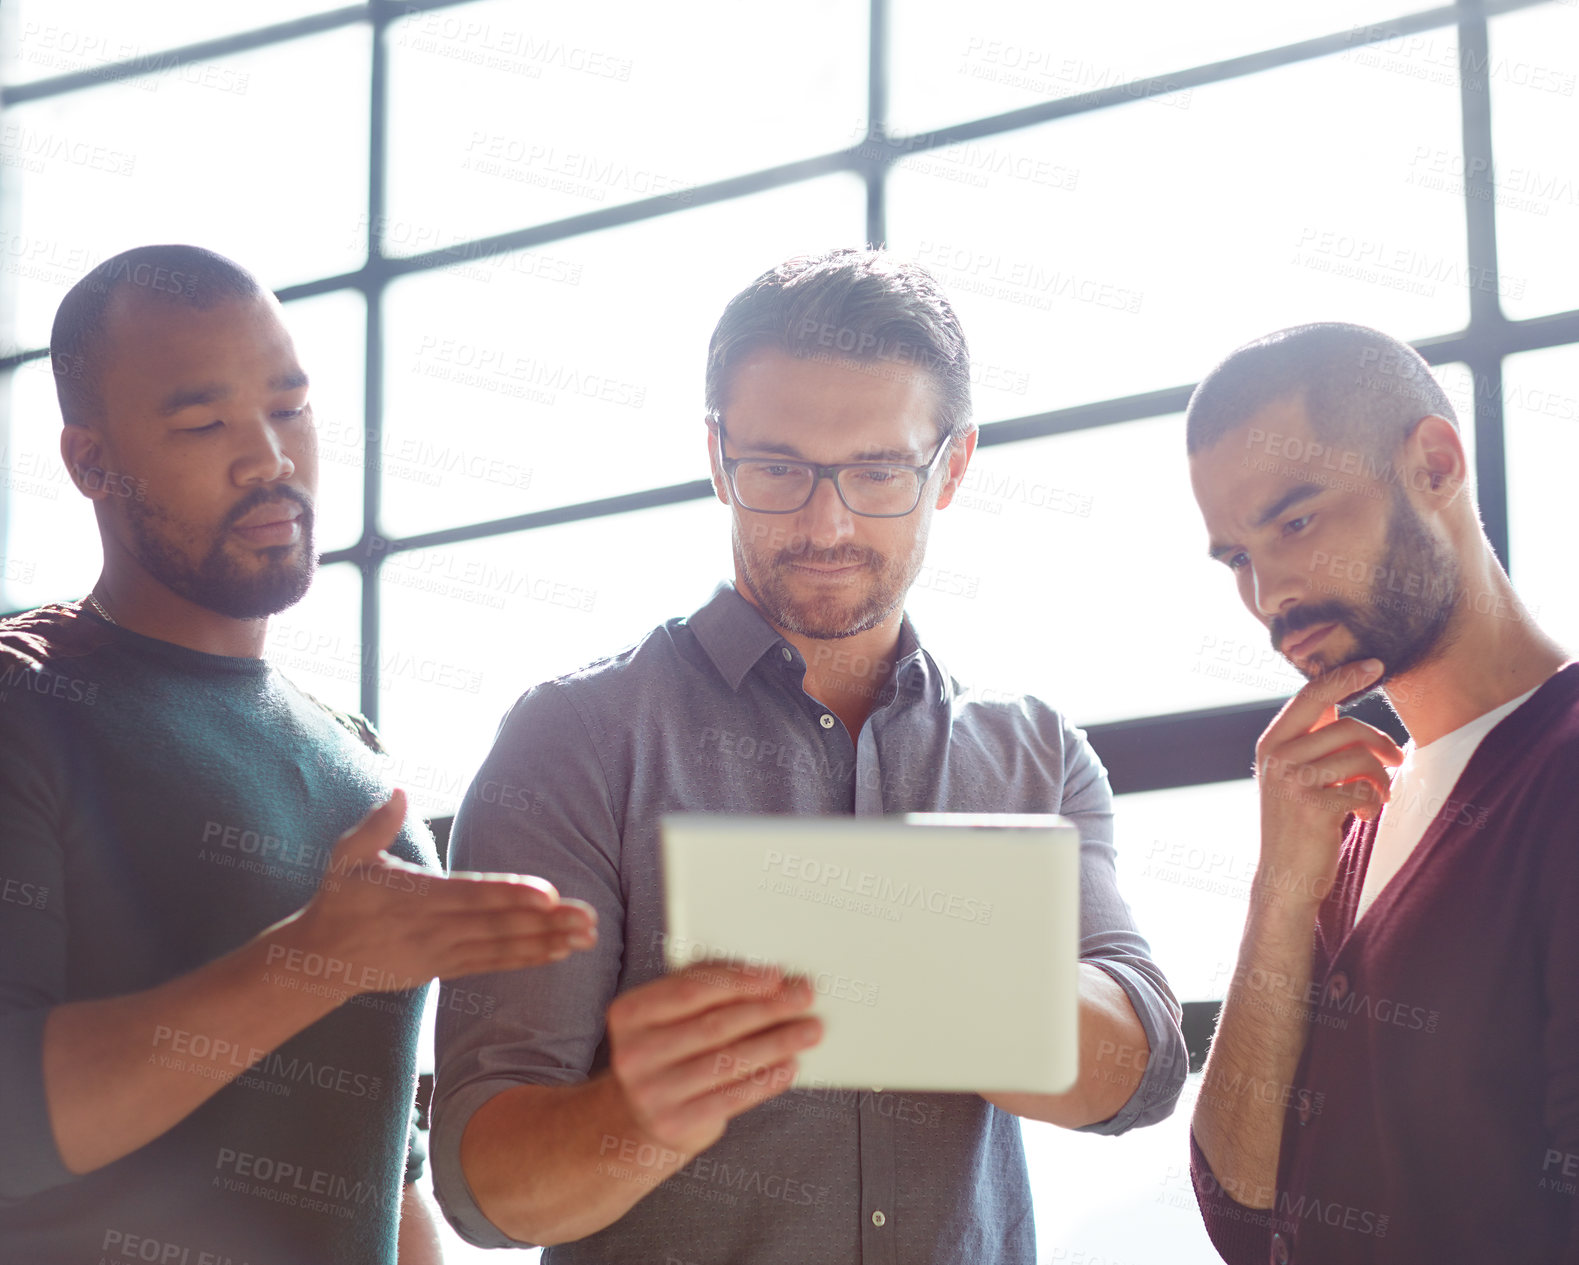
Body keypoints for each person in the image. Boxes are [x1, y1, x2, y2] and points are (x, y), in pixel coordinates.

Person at [431, 247, 1187, 1263]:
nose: (825, 522)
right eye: (778, 467)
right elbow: (484, 1191)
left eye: (877, 470)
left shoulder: (1032, 751)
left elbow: (1142, 1070)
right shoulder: (574, 739)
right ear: (716, 455)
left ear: (952, 465)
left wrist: (928, 970)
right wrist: (635, 1115)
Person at [0, 244, 597, 1263]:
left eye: (290, 406)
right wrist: (317, 957)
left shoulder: (364, 772)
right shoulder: (26, 700)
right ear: (90, 461)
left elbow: (380, 1169)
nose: (270, 458)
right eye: (203, 422)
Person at [1183, 322, 1578, 1262]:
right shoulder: (1346, 816)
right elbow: (1242, 1215)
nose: (1268, 591)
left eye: (1294, 521)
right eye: (1236, 556)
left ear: (1434, 465)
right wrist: (1281, 885)